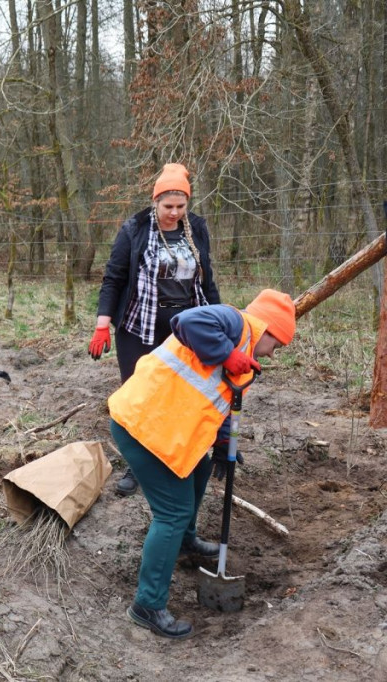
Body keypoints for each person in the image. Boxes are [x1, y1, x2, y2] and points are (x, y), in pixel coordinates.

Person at [108, 289, 295, 639]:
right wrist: (228, 354)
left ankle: (184, 542)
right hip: (143, 424)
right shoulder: (233, 322)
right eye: (277, 345)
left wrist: (222, 441)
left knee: (201, 468)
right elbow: (187, 321)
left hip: (166, 428)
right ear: (268, 329)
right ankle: (147, 604)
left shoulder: (243, 352)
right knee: (172, 512)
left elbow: (221, 398)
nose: (273, 353)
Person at [89, 163, 220, 497]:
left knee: (180, 394)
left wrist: (220, 319)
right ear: (155, 201)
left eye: (180, 206)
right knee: (140, 396)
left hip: (185, 329)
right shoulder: (135, 228)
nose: (174, 213)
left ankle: (174, 457)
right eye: (168, 206)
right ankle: (138, 467)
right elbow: (114, 277)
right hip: (139, 327)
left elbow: (207, 279)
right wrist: (103, 324)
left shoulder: (197, 228)